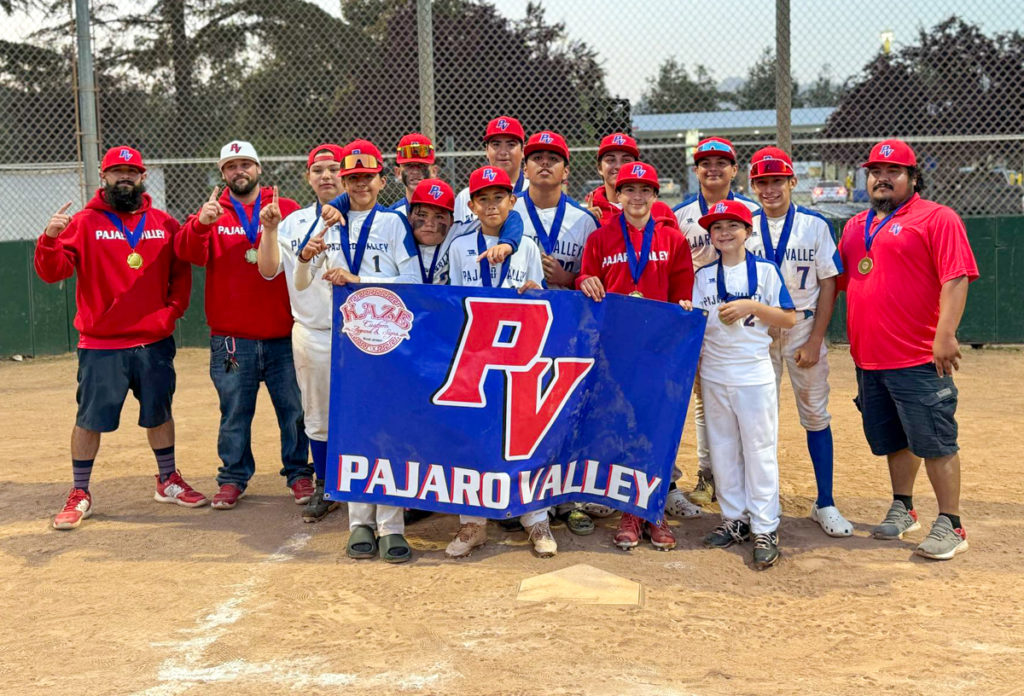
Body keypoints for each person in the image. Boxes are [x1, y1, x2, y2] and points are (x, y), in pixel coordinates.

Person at [36, 146, 205, 529]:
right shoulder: (82, 222)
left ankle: (167, 479)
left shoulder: (163, 223)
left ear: (142, 176)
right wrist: (49, 239)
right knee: (89, 420)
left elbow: (180, 275)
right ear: (104, 176)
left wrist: (170, 314)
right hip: (101, 344)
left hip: (152, 342)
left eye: (132, 171)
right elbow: (53, 272)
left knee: (159, 413)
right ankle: (80, 491)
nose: (124, 177)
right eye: (117, 172)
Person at [838, 138, 978, 561]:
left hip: (918, 355)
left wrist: (945, 335)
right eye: (875, 172)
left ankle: (951, 524)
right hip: (870, 358)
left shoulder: (937, 218)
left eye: (893, 171)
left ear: (913, 178)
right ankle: (904, 506)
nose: (882, 178)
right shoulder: (854, 225)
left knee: (935, 440)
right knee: (895, 439)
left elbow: (957, 277)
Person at [297, 138, 420, 563]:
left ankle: (392, 525)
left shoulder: (393, 223)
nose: (359, 185)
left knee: (386, 428)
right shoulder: (328, 223)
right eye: (352, 179)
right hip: (342, 340)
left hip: (383, 339)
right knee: (350, 428)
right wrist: (305, 256)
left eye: (367, 177)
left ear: (381, 179)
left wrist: (360, 280)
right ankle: (358, 522)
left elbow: (414, 283)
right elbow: (301, 280)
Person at [175, 140, 313, 510]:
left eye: (246, 165)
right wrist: (201, 225)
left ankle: (299, 474)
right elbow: (187, 254)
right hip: (232, 338)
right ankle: (233, 478)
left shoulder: (286, 209)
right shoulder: (211, 211)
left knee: (294, 409)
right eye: (232, 166)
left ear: (259, 169)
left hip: (284, 333)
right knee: (234, 410)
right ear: (223, 174)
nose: (240, 172)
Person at [577, 161, 694, 552]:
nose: (637, 196)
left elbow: (682, 295)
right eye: (630, 189)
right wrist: (583, 279)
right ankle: (630, 510)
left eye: (645, 190)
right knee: (624, 424)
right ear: (618, 194)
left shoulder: (672, 240)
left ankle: (654, 510)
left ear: (655, 196)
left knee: (657, 425)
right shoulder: (601, 237)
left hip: (659, 347)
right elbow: (587, 278)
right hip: (617, 346)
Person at [682, 199, 797, 570]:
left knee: (759, 448)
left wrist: (751, 306)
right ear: (710, 236)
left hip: (753, 371)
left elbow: (789, 318)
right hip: (716, 372)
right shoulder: (702, 276)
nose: (725, 233)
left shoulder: (764, 271)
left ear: (748, 231)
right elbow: (698, 323)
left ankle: (765, 525)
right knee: (723, 449)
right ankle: (735, 519)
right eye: (717, 228)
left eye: (733, 226)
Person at [444, 165, 551, 559]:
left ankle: (535, 518)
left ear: (512, 201)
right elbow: (453, 303)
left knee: (522, 437)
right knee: (472, 438)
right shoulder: (458, 247)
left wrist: (535, 292)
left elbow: (540, 298)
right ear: (471, 205)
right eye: (483, 199)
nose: (491, 206)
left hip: (519, 357)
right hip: (474, 358)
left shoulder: (526, 245)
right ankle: (473, 523)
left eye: (498, 198)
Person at [746, 147, 853, 537]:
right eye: (761, 181)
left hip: (803, 328)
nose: (769, 188)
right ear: (752, 186)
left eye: (777, 180)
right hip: (757, 332)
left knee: (814, 414)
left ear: (793, 182)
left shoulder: (814, 224)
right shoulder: (745, 224)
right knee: (758, 418)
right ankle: (761, 501)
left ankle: (824, 501)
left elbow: (830, 284)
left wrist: (817, 338)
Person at [256, 143, 344, 522]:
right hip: (314, 330)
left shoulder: (368, 218)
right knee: (317, 413)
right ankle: (325, 482)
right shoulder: (292, 222)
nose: (326, 175)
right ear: (308, 177)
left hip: (363, 333)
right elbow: (267, 269)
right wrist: (270, 229)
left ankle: (369, 482)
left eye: (333, 168)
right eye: (318, 170)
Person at [674, 137, 760, 512]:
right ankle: (709, 474)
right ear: (695, 171)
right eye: (705, 163)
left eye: (721, 162)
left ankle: (745, 476)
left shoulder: (753, 210)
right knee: (702, 400)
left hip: (745, 321)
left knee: (748, 400)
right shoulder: (679, 215)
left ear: (734, 169)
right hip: (700, 318)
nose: (713, 169)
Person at [584, 132, 679, 230]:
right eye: (610, 160)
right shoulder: (589, 214)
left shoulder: (660, 211)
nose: (618, 166)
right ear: (599, 168)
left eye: (626, 160)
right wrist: (586, 224)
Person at [453, 116, 529, 222]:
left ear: (523, 151)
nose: (503, 152)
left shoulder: (535, 193)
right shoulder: (466, 196)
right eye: (496, 144)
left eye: (511, 145)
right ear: (487, 151)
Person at [390, 133, 439, 216]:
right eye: (408, 166)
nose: (415, 172)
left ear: (434, 171)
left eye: (421, 165)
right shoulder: (391, 216)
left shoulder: (447, 212)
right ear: (398, 173)